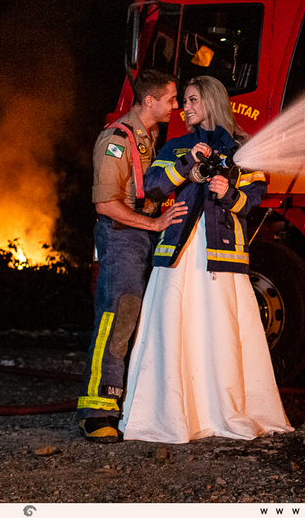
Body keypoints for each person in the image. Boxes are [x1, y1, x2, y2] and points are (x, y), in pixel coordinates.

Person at [119, 75, 292, 442]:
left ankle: (222, 410)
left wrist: (228, 192)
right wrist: (188, 165)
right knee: (173, 327)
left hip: (221, 255)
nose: (185, 108)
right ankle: (172, 414)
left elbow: (254, 201)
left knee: (220, 330)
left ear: (212, 102)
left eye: (193, 100)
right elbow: (152, 186)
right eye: (184, 101)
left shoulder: (242, 148)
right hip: (178, 253)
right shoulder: (176, 145)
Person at [78, 70, 188, 443]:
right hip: (122, 237)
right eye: (171, 99)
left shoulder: (149, 137)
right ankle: (96, 412)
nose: (176, 106)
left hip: (141, 236)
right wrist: (153, 224)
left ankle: (125, 403)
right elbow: (106, 205)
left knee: (137, 320)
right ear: (149, 101)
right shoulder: (115, 140)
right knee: (117, 319)